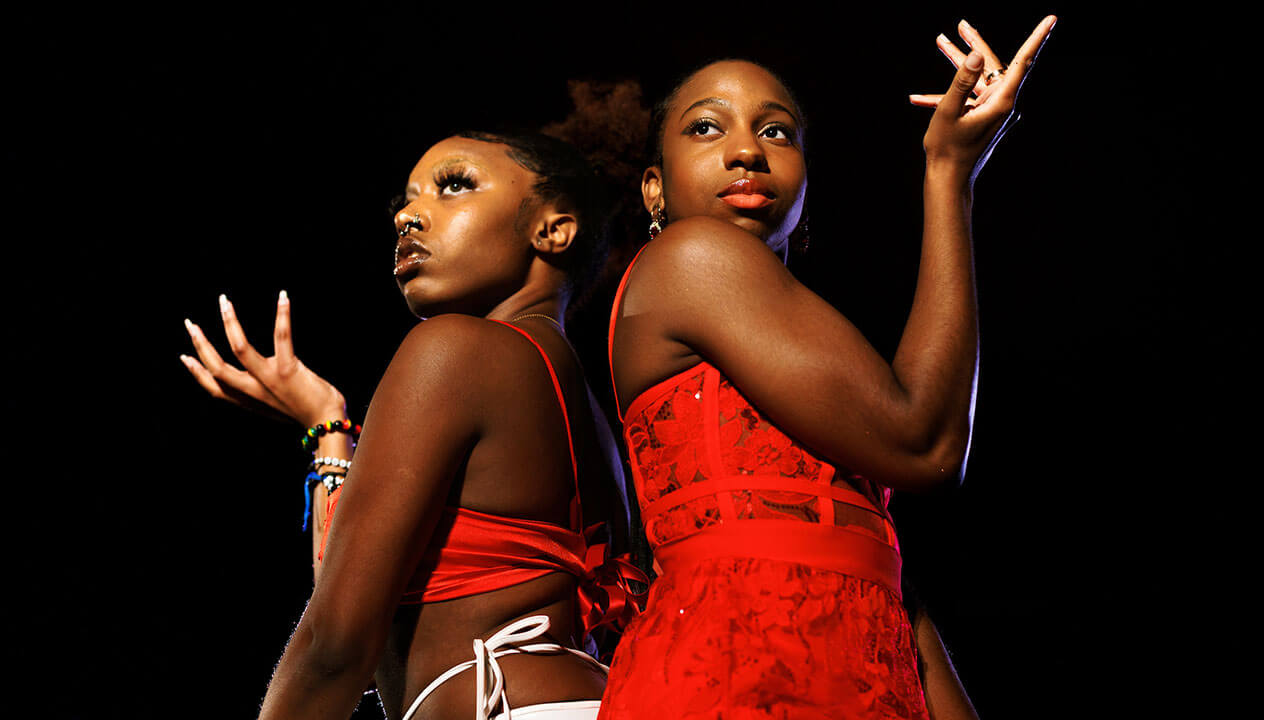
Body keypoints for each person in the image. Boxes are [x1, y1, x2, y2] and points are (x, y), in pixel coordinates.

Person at [599, 17, 1055, 719]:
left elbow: (883, 576)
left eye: (777, 132)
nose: (748, 150)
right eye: (706, 129)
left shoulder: (800, 349)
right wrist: (949, 177)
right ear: (654, 192)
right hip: (732, 684)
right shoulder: (690, 259)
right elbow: (926, 444)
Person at [182, 130, 641, 720]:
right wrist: (328, 426)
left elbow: (335, 643)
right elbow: (363, 578)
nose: (408, 215)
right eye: (405, 199)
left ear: (552, 228)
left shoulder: (453, 350)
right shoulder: (591, 420)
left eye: (454, 186)